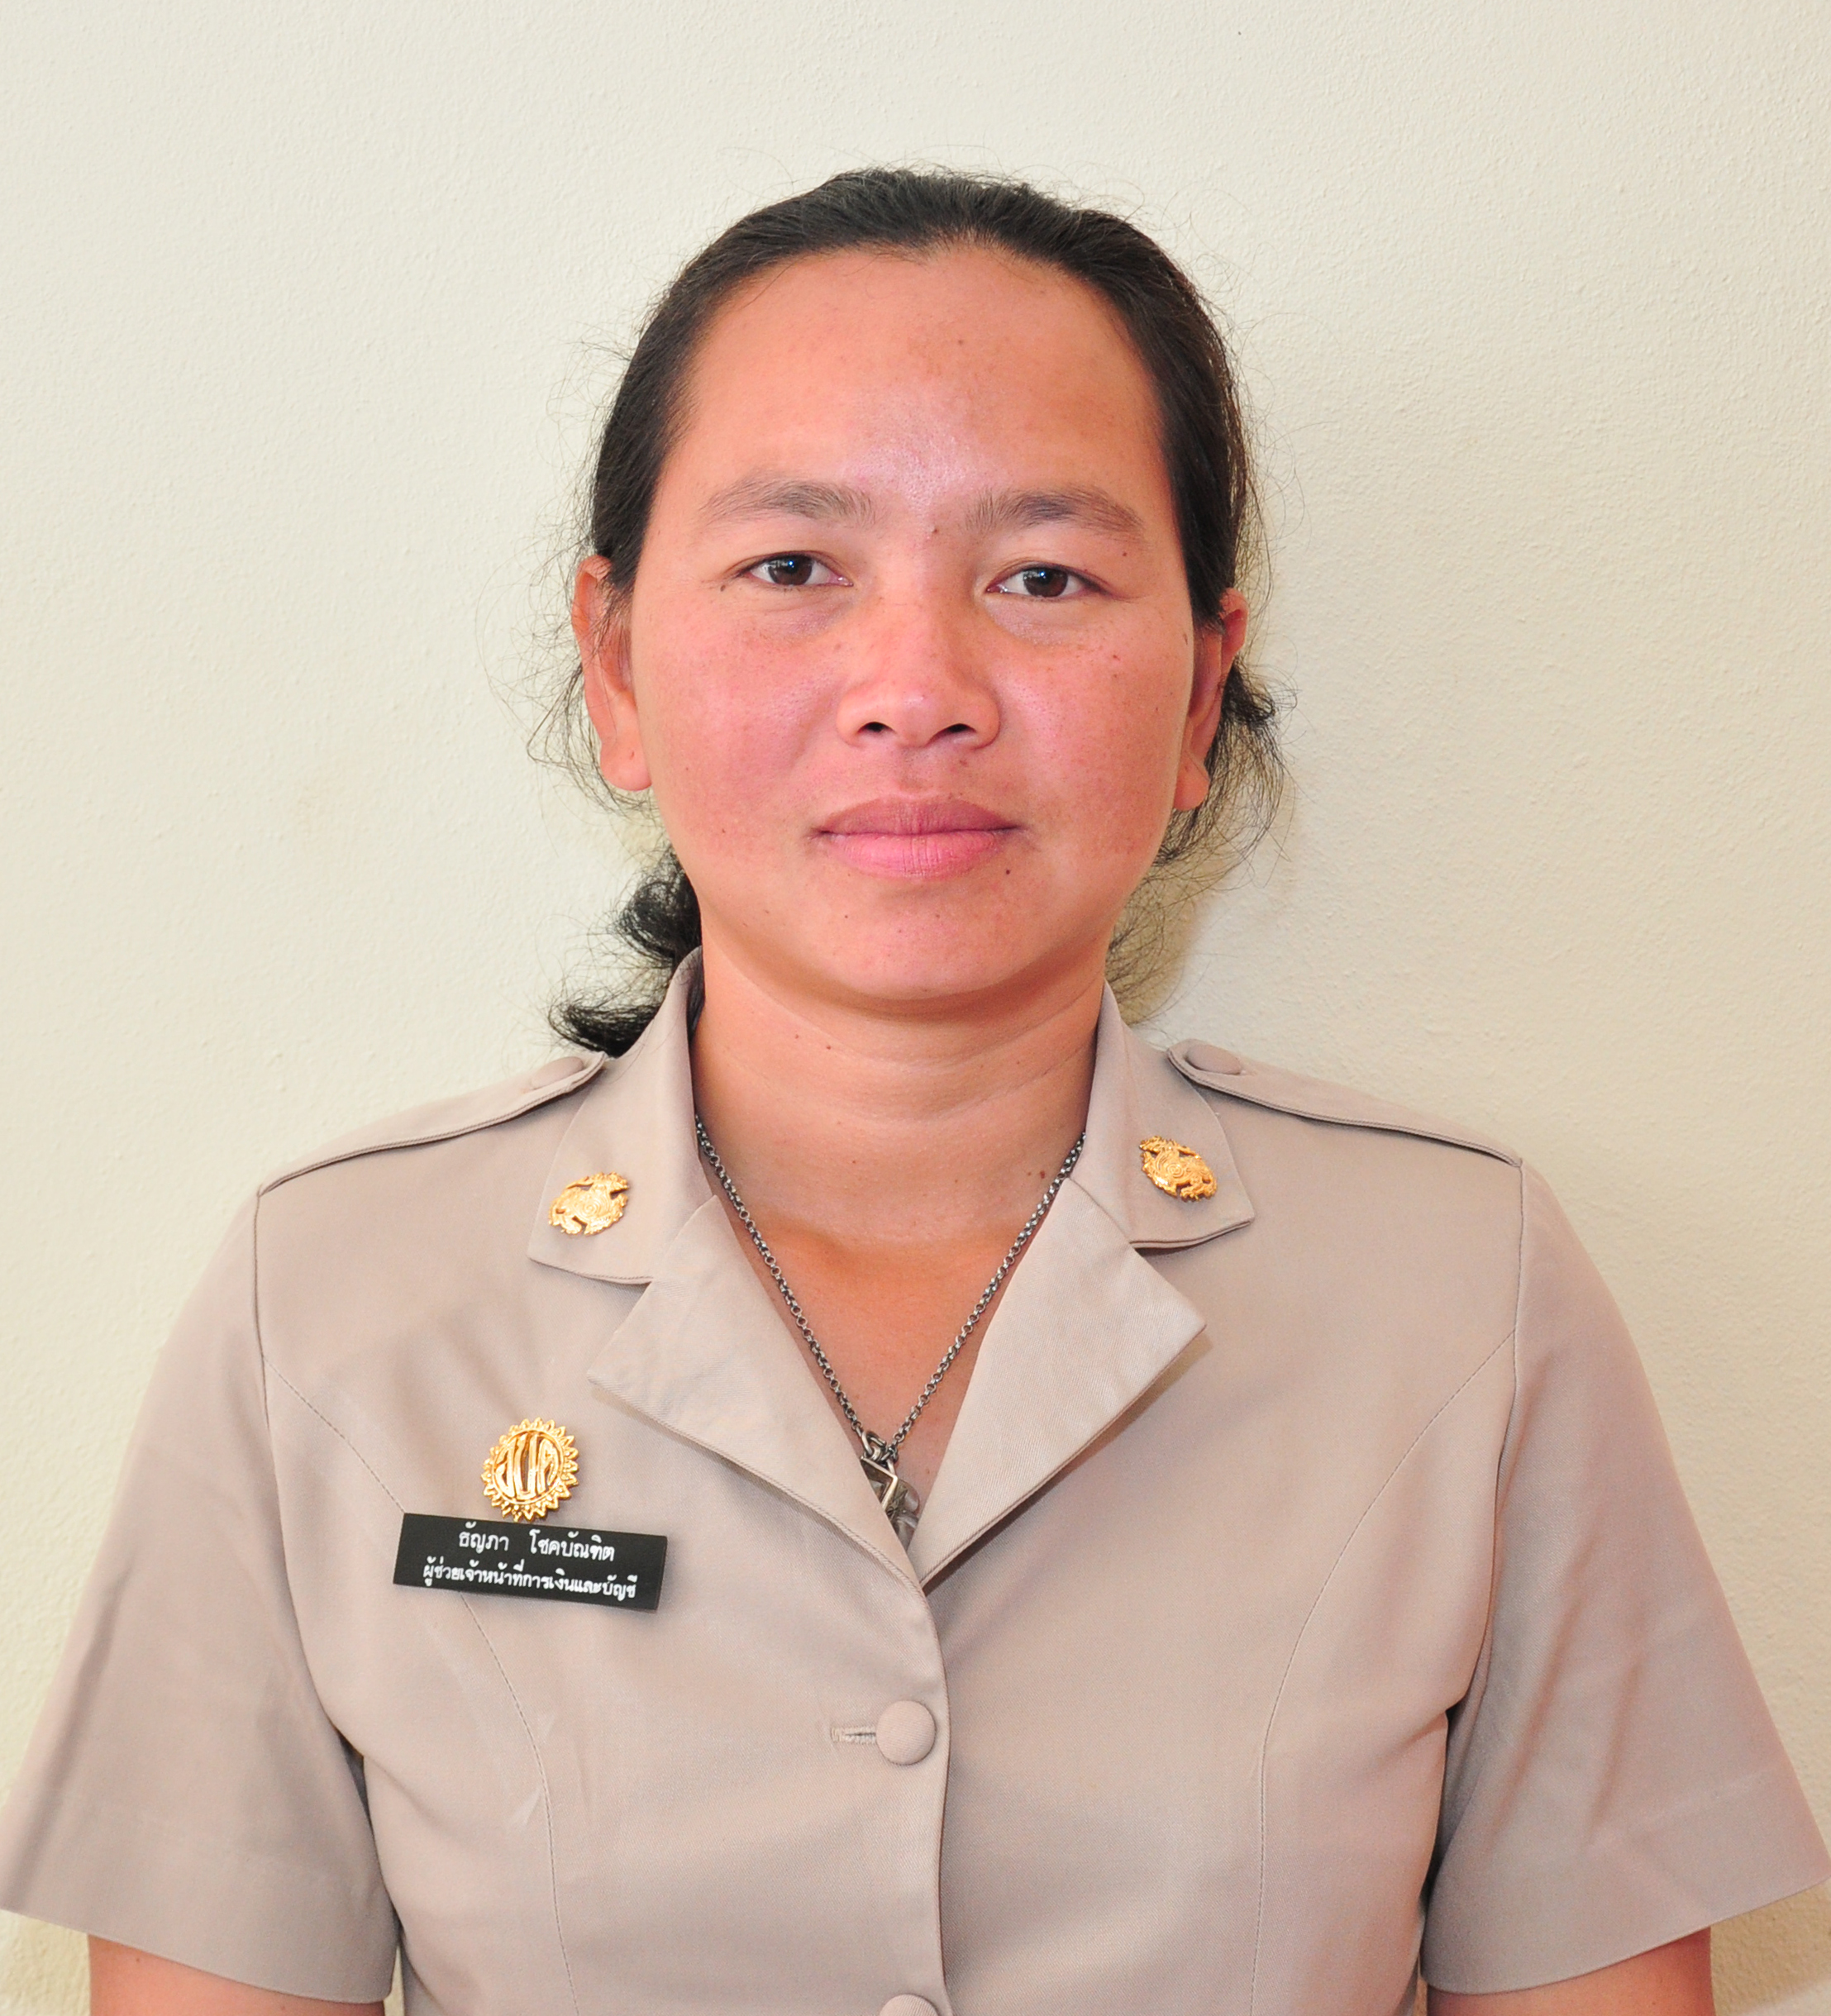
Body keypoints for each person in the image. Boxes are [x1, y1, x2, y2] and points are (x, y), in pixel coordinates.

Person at [0, 168, 1822, 2016]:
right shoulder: (334, 1305)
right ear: (615, 667)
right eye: (794, 568)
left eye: (1043, 576)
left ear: (1203, 694)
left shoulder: (1459, 1292)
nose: (916, 688)